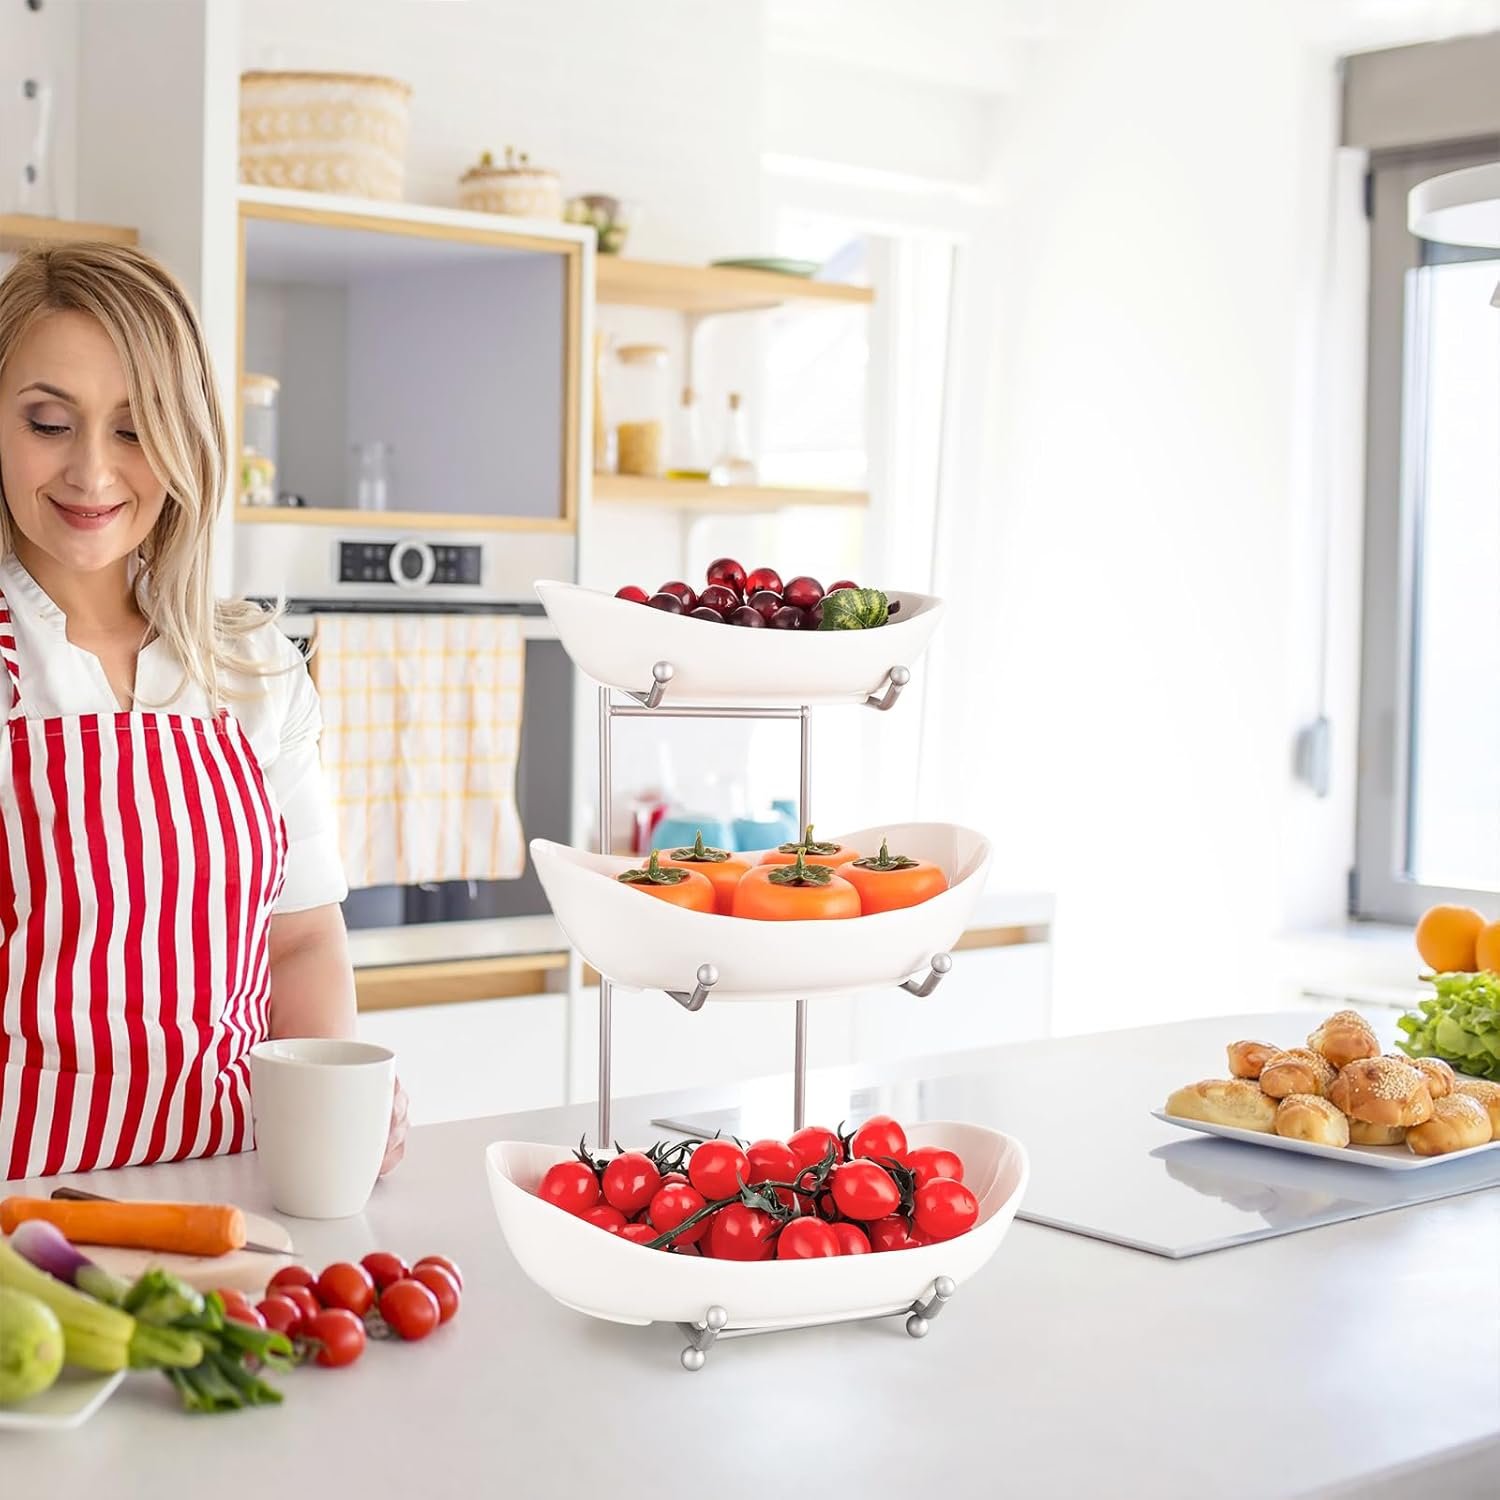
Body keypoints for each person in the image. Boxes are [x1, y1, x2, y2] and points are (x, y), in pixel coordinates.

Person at [0, 241, 405, 1180]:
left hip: (236, 1195)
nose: (94, 474)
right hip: (22, 1230)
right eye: (49, 423)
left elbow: (300, 936)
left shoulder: (250, 666)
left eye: (136, 430)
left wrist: (331, 1103)